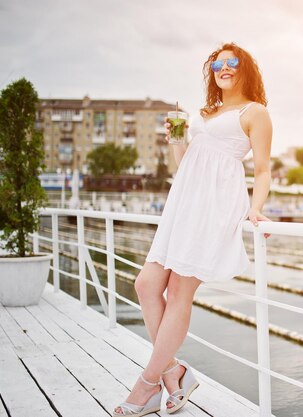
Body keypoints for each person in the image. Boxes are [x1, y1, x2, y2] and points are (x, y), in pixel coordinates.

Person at [112, 42, 273, 416]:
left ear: (245, 68)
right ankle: (174, 370)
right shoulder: (205, 112)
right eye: (218, 64)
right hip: (183, 201)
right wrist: (176, 139)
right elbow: (186, 163)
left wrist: (256, 208)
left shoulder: (255, 112)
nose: (224, 68)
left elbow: (262, 169)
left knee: (180, 291)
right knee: (147, 284)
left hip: (214, 206)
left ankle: (146, 386)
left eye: (232, 62)